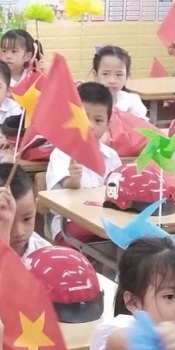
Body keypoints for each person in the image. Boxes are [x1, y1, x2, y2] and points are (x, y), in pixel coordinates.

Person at [46, 82, 122, 239]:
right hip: (69, 224)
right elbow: (65, 189)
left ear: (108, 124)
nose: (90, 126)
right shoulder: (61, 154)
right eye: (84, 118)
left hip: (105, 221)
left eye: (98, 121)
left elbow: (117, 192)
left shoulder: (112, 156)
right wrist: (74, 180)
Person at [0, 163, 51, 258]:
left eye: (27, 219)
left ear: (35, 207)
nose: (19, 232)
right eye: (4, 221)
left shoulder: (46, 254)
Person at [92, 46, 147, 119]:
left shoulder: (132, 101)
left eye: (119, 75)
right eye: (105, 74)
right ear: (95, 75)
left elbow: (142, 125)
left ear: (126, 77)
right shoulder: (86, 101)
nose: (112, 81)